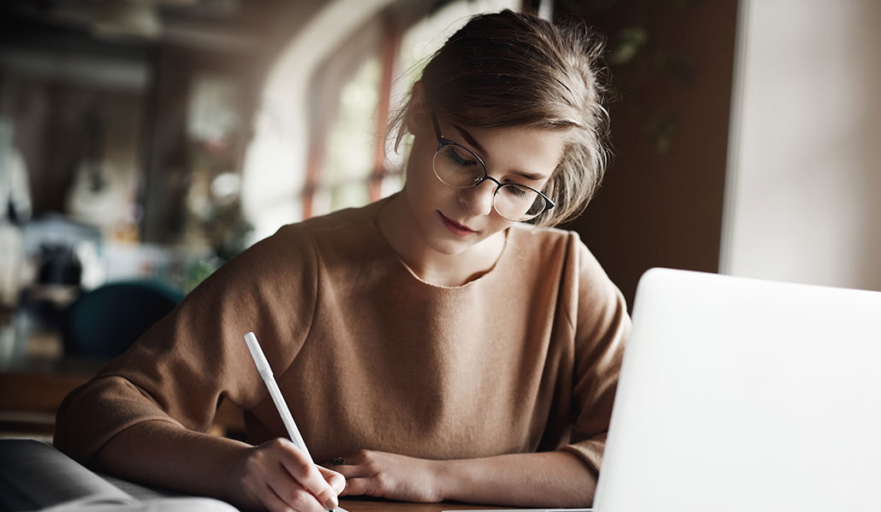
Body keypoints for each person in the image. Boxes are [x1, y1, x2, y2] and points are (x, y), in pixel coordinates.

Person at [54, 9, 628, 512]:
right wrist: (231, 468)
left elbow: (630, 459)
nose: (480, 203)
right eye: (460, 156)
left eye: (521, 187)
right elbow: (97, 412)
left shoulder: (569, 278)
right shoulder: (302, 266)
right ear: (417, 109)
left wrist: (434, 479)